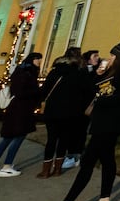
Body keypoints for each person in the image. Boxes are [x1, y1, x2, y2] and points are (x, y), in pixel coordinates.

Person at [42, 42, 120, 201]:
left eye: (112, 56)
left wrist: (99, 101)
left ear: (119, 58)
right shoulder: (110, 73)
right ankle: (104, 200)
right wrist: (97, 74)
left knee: (88, 161)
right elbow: (92, 88)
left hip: (111, 122)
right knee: (107, 159)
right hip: (102, 121)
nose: (109, 59)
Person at [0, 52, 43, 178]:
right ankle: (6, 165)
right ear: (32, 60)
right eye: (37, 59)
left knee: (8, 138)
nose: (39, 61)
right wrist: (37, 92)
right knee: (17, 137)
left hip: (17, 109)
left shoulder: (23, 71)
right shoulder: (27, 72)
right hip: (21, 110)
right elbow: (21, 91)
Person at [36, 50, 93, 178]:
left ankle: (45, 171)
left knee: (51, 139)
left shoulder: (54, 72)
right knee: (63, 139)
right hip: (70, 113)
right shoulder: (79, 74)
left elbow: (44, 90)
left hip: (53, 111)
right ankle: (57, 169)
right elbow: (87, 92)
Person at [62, 49, 101, 170]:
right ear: (88, 59)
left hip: (90, 106)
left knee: (83, 131)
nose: (97, 58)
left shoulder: (98, 71)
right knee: (75, 131)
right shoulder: (82, 72)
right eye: (95, 56)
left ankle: (77, 155)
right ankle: (72, 155)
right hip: (79, 107)